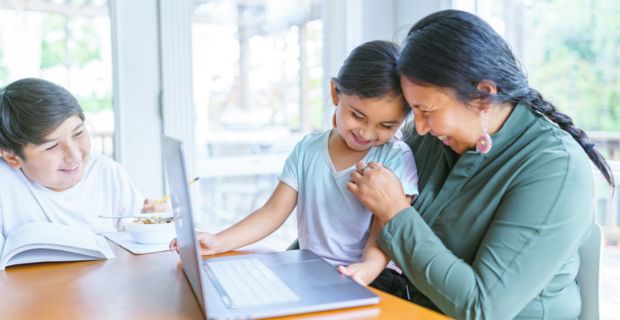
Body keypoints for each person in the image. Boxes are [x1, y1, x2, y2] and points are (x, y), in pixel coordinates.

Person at [347, 10, 614, 319]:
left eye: (426, 109)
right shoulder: (427, 140)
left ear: (484, 96)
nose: (418, 126)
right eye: (413, 109)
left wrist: (394, 212)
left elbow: (484, 308)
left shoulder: (555, 169)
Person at [171, 40, 418, 286]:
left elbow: (386, 227)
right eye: (357, 116)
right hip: (314, 271)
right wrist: (218, 241)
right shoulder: (307, 150)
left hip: (376, 275)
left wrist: (366, 269)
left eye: (386, 126)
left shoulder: (395, 156)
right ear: (335, 93)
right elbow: (272, 213)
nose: (366, 133)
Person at [0, 78, 166, 237]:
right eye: (52, 146)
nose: (73, 155)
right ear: (12, 157)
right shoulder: (5, 182)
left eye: (78, 133)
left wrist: (156, 222)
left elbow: (141, 234)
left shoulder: (106, 172)